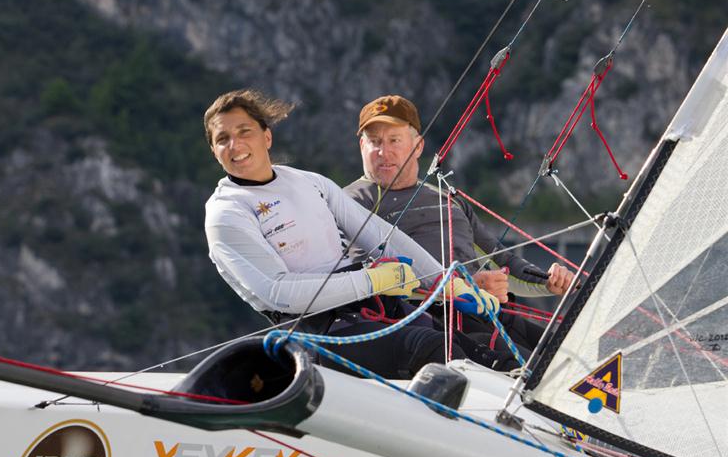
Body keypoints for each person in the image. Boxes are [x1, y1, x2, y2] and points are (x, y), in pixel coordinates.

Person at [203, 89, 511, 379]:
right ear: (214, 152)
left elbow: (381, 236)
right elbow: (278, 292)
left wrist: (448, 283)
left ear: (266, 136)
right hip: (318, 333)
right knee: (433, 349)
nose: (235, 145)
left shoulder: (310, 182)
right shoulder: (226, 214)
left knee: (486, 355)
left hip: (367, 309)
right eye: (222, 139)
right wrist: (372, 281)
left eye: (244, 132)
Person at [344, 95, 575, 357]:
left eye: (394, 140)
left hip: (486, 311)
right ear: (362, 146)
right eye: (375, 142)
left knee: (572, 359)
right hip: (428, 322)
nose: (384, 152)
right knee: (529, 372)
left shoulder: (447, 197)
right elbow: (362, 281)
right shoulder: (350, 203)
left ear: (418, 146)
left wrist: (550, 282)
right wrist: (462, 288)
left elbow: (502, 260)